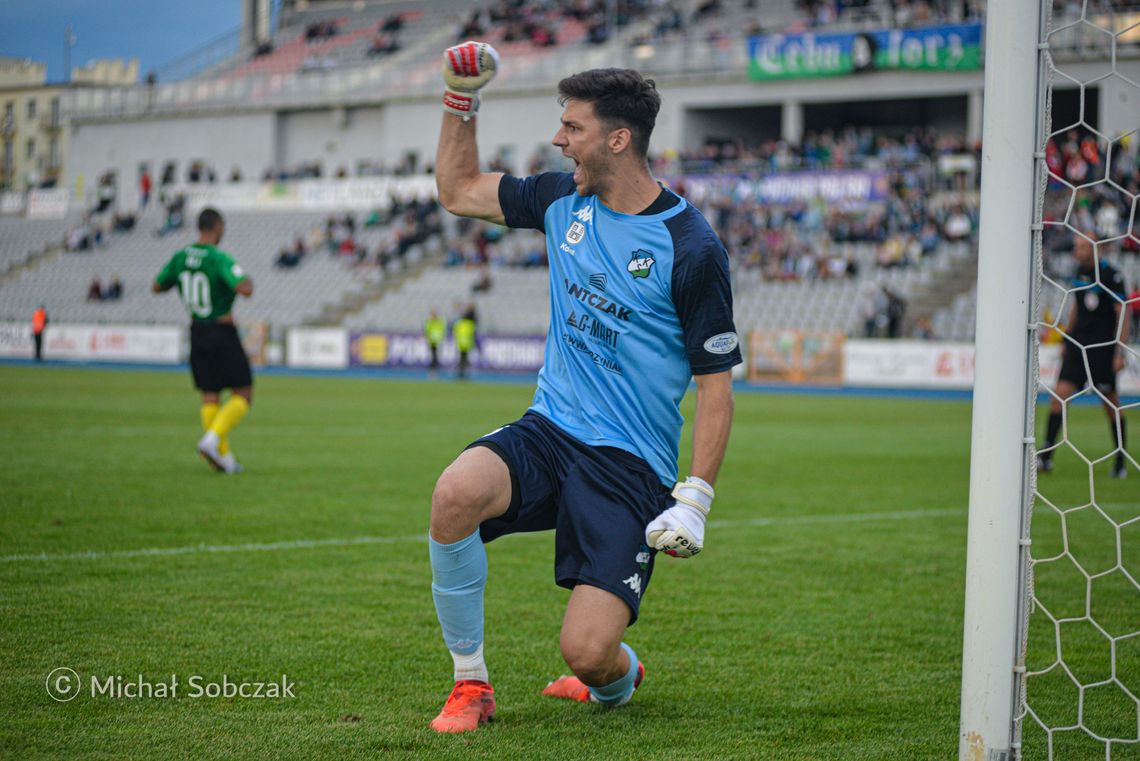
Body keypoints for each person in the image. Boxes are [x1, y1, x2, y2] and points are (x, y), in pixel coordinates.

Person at [426, 42, 740, 733]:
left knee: (589, 654)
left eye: (572, 127)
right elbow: (457, 189)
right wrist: (458, 97)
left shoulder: (691, 248)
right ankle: (470, 684)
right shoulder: (561, 201)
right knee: (454, 494)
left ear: (618, 138)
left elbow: (716, 388)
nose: (557, 139)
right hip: (551, 429)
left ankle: (616, 675)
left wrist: (696, 499)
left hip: (630, 465)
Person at [152, 208, 254, 474]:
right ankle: (212, 440)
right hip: (222, 329)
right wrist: (242, 281)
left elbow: (157, 286)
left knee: (210, 395)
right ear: (217, 226)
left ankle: (226, 459)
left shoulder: (181, 256)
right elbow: (244, 288)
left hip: (197, 329)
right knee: (243, 392)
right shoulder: (218, 257)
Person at [1038, 235, 1130, 479]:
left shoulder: (1112, 275)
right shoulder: (1079, 271)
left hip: (1102, 347)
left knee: (1110, 404)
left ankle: (1120, 460)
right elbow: (1078, 305)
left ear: (1094, 249)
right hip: (1078, 345)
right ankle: (1045, 456)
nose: (1076, 251)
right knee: (1059, 395)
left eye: (1080, 247)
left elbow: (1123, 312)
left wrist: (1120, 351)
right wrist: (1067, 336)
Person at [452, 306, 476, 379]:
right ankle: (464, 374)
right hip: (467, 345)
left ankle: (460, 374)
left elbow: (455, 332)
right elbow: (473, 335)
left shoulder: (459, 324)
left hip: (460, 344)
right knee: (465, 360)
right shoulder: (470, 324)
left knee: (461, 360)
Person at [424, 309, 446, 375]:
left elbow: (443, 329)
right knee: (433, 355)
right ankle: (433, 369)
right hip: (432, 341)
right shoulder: (429, 321)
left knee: (436, 356)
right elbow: (426, 330)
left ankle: (435, 369)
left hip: (438, 341)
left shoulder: (439, 321)